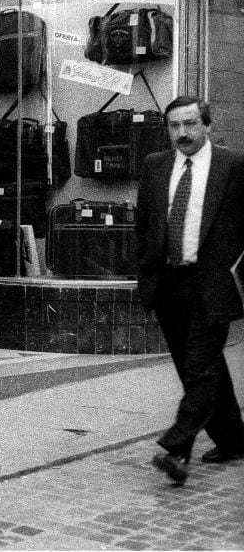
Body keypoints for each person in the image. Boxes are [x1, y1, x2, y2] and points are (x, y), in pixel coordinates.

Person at [135, 95, 244, 485]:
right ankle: (233, 438)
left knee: (199, 366)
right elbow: (144, 225)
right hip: (168, 282)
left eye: (190, 124)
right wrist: (145, 267)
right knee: (197, 367)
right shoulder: (154, 166)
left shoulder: (233, 166)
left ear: (207, 125)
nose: (182, 133)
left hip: (212, 283)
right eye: (175, 125)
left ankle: (177, 449)